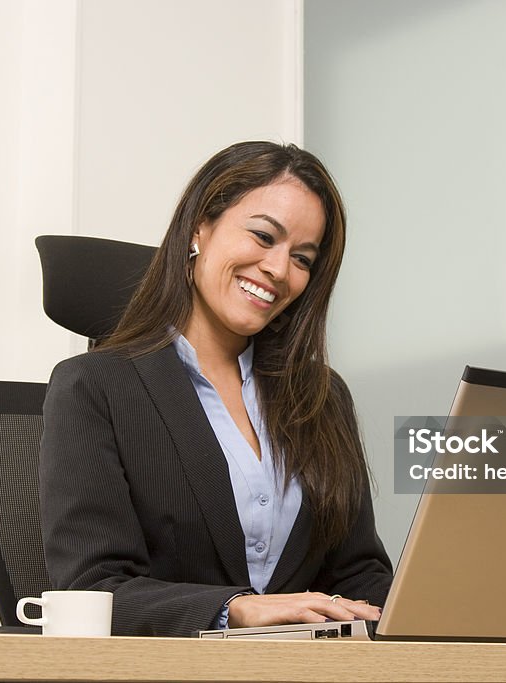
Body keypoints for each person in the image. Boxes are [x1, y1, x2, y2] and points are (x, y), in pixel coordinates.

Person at [39, 141, 392, 637]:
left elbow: (358, 573)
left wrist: (433, 601)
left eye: (302, 258)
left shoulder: (321, 397)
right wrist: (237, 608)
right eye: (263, 236)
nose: (278, 268)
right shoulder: (94, 387)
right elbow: (93, 587)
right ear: (200, 227)